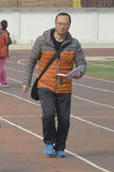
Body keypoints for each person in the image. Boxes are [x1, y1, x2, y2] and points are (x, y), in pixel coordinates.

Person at [22, 12, 87, 158]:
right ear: (55, 24)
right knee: (48, 114)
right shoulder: (42, 41)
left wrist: (79, 73)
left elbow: (82, 63)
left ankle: (60, 147)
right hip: (45, 84)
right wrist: (26, 82)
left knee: (64, 120)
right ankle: (49, 142)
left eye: (65, 24)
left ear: (69, 26)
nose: (62, 26)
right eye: (60, 23)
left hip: (65, 87)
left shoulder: (74, 44)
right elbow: (31, 61)